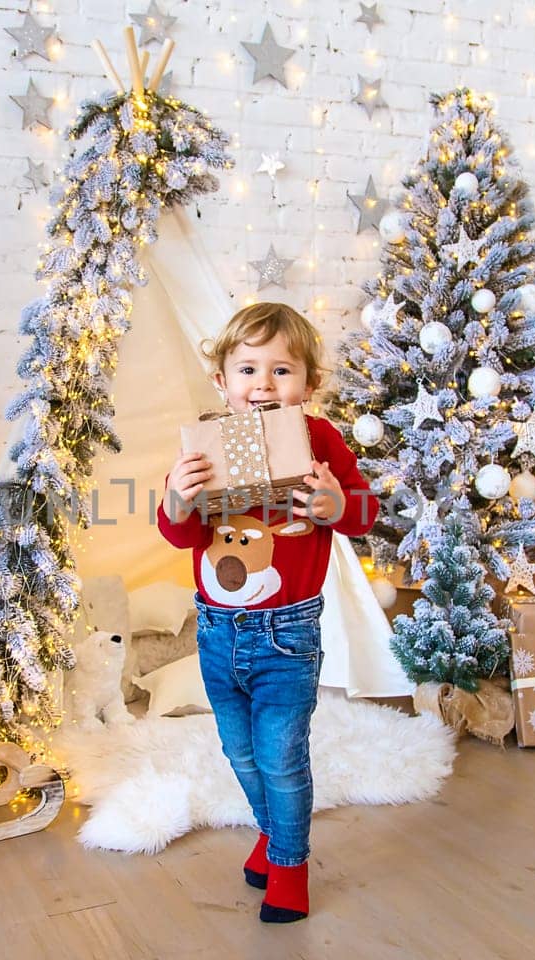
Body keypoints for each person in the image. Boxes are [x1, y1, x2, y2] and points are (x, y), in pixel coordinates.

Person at [156, 302, 379, 923]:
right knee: (240, 752)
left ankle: (290, 862)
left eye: (282, 371)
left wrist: (336, 503)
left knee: (281, 756)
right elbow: (179, 535)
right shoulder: (202, 445)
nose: (263, 384)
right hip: (217, 631)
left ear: (308, 383)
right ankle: (270, 832)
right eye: (247, 369)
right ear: (221, 382)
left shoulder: (321, 439)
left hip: (288, 632)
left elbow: (363, 514)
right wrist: (176, 500)